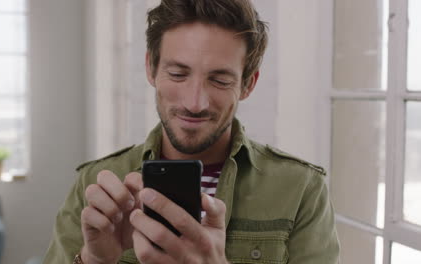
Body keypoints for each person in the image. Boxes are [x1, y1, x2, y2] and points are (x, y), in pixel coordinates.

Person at [43, 0, 340, 263]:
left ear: (248, 84)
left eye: (220, 80)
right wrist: (93, 260)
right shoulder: (95, 185)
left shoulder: (301, 190)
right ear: (151, 68)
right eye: (177, 74)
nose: (194, 103)